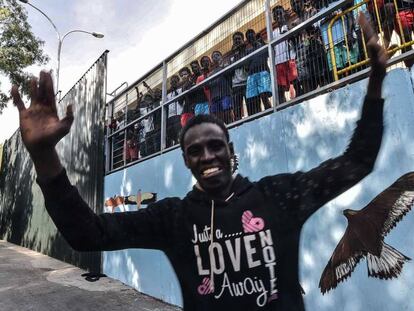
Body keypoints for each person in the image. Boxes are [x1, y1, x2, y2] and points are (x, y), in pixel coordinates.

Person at [12, 14, 387, 311]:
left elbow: (357, 162)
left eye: (214, 145)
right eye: (195, 150)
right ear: (186, 160)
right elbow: (87, 234)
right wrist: (44, 156)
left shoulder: (279, 196)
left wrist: (375, 81)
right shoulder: (173, 219)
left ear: (229, 148)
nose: (207, 155)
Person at [245, 29, 272, 115]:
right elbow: (246, 67)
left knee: (264, 96)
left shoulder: (262, 45)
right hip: (252, 75)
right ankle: (260, 116)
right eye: (248, 37)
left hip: (262, 72)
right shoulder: (248, 51)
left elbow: (270, 53)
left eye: (251, 35)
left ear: (254, 35)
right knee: (255, 100)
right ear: (247, 40)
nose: (250, 38)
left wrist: (262, 41)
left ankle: (270, 113)